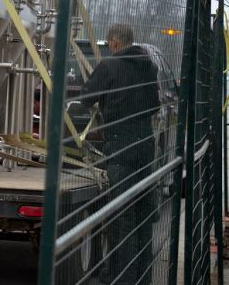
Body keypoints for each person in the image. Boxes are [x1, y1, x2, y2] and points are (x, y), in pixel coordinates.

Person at [81, 23, 159, 285]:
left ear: (114, 42)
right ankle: (142, 276)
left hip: (119, 146)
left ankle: (121, 278)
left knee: (120, 213)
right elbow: (154, 105)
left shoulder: (109, 67)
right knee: (142, 212)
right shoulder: (149, 66)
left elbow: (86, 98)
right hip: (145, 144)